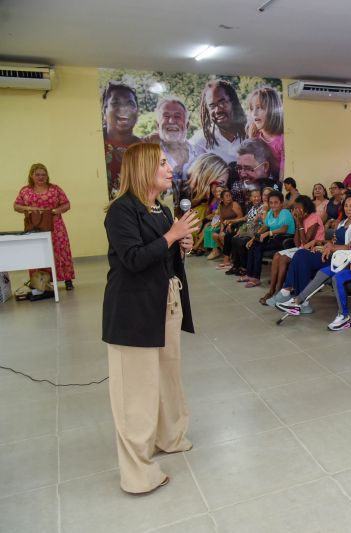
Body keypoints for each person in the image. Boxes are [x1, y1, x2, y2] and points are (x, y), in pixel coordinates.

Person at [102, 142, 200, 494]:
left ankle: (170, 436)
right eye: (162, 163)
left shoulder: (160, 209)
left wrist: (181, 247)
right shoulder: (121, 211)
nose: (169, 168)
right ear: (144, 169)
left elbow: (163, 256)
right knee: (136, 394)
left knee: (166, 377)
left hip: (166, 303)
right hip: (133, 311)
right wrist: (172, 236)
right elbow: (132, 258)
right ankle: (137, 474)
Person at [277, 198, 351, 331]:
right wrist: (332, 247)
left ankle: (344, 316)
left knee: (337, 278)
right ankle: (297, 302)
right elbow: (349, 247)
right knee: (324, 272)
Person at [264, 195, 351, 309]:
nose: (348, 208)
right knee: (301, 255)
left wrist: (330, 246)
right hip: (330, 254)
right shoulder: (343, 222)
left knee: (302, 255)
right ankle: (294, 296)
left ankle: (290, 294)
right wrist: (318, 242)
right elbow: (332, 241)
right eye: (346, 205)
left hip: (343, 259)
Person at [13, 163, 76, 290]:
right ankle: (38, 282)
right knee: (37, 252)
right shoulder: (25, 191)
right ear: (31, 175)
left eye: (44, 174)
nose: (41, 177)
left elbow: (66, 204)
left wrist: (54, 211)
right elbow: (16, 206)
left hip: (55, 226)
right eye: (37, 174)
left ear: (47, 176)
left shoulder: (55, 189)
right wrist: (29, 208)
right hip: (35, 227)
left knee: (60, 251)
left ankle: (67, 279)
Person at [144, 97, 203, 207]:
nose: (171, 121)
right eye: (166, 116)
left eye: (177, 116)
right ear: (157, 125)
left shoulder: (199, 155)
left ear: (187, 125)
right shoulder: (147, 155)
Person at [265, 195, 324, 296]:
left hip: (313, 250)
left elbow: (306, 243)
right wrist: (298, 223)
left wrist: (300, 223)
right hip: (301, 248)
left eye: (298, 207)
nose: (296, 210)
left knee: (283, 258)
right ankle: (271, 290)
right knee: (277, 256)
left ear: (306, 207)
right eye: (295, 207)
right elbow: (297, 243)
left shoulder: (315, 218)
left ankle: (279, 291)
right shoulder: (301, 218)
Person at [242, 190, 294, 286]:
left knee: (258, 247)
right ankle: (249, 274)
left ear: (281, 203)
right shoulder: (270, 212)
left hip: (284, 239)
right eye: (271, 203)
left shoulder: (285, 212)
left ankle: (256, 278)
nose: (273, 205)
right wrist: (252, 239)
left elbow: (284, 229)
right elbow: (264, 227)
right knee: (252, 245)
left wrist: (268, 233)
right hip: (273, 238)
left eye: (276, 202)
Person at [190, 80, 247, 164]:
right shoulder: (201, 140)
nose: (217, 110)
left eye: (223, 102)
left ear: (233, 103)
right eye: (212, 106)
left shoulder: (251, 131)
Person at [102, 82, 140, 199]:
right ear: (104, 111)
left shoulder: (145, 149)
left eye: (130, 104)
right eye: (115, 103)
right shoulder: (94, 147)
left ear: (137, 111)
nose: (124, 109)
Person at [246, 86, 285, 183]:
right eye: (252, 108)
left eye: (259, 108)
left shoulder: (282, 139)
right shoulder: (255, 135)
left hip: (279, 181)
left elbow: (283, 173)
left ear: (272, 110)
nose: (254, 113)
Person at [231, 139, 279, 205]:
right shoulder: (237, 187)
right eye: (239, 168)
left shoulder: (276, 186)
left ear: (265, 166)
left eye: (248, 168)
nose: (242, 174)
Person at [210, 190, 245, 269]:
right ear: (222, 198)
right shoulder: (221, 206)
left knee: (223, 236)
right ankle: (229, 254)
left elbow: (241, 216)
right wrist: (222, 230)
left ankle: (229, 258)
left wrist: (230, 223)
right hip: (226, 225)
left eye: (230, 195)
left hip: (235, 225)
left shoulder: (234, 204)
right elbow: (222, 220)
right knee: (215, 235)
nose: (229, 197)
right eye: (226, 196)